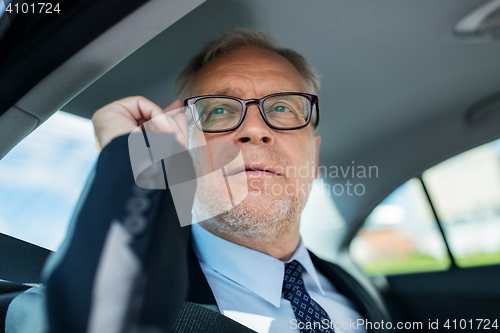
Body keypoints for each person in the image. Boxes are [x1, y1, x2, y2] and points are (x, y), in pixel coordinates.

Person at [6, 28, 392, 333]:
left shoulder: (355, 290)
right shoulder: (123, 293)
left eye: (281, 107)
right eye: (220, 110)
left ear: (315, 158)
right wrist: (129, 166)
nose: (255, 129)